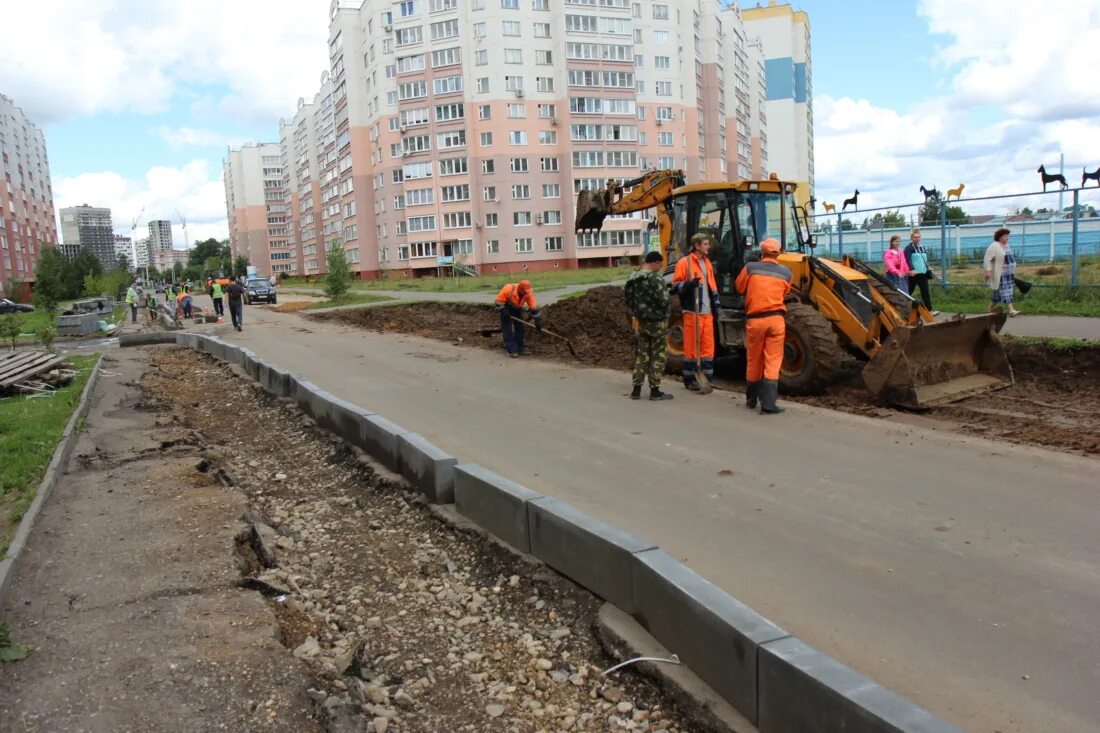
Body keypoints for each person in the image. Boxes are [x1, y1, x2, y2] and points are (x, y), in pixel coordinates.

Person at [735, 238, 792, 414]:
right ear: (779, 254)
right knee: (773, 360)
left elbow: (739, 287)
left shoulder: (751, 268)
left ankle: (751, 399)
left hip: (755, 319)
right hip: (776, 320)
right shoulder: (786, 273)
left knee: (754, 359)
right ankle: (768, 403)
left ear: (762, 252)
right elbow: (785, 293)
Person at [671, 233, 719, 392]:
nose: (708, 246)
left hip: (707, 312)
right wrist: (688, 285)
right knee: (692, 347)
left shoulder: (707, 262)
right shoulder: (685, 263)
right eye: (706, 244)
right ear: (697, 246)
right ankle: (690, 378)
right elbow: (674, 286)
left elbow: (712, 287)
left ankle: (707, 378)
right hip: (693, 311)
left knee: (707, 348)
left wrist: (715, 307)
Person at [624, 251, 673, 401]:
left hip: (642, 321)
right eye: (660, 264)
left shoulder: (633, 278)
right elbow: (665, 300)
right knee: (658, 355)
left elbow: (628, 299)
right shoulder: (656, 279)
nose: (660, 267)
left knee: (642, 354)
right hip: (657, 322)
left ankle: (636, 389)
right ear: (654, 262)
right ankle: (655, 390)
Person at [494, 279, 541, 358]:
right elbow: (498, 302)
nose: (526, 293)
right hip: (506, 308)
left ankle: (520, 348)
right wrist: (503, 310)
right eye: (525, 291)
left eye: (527, 291)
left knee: (520, 328)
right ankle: (512, 350)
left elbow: (533, 307)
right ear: (520, 288)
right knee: (507, 328)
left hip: (517, 308)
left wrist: (537, 320)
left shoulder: (528, 293)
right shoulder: (508, 288)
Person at [983, 227, 1020, 317]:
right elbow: (987, 259)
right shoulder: (994, 246)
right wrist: (988, 271)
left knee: (998, 294)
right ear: (1000, 237)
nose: (1007, 238)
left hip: (1008, 274)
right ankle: (1011, 310)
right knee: (1006, 291)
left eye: (1008, 236)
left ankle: (990, 310)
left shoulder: (1007, 246)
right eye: (1005, 236)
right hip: (1000, 274)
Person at [903, 228, 937, 313]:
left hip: (923, 273)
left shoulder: (922, 247)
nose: (917, 239)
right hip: (913, 274)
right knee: (908, 292)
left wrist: (928, 268)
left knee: (925, 292)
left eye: (918, 237)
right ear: (911, 238)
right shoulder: (908, 248)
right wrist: (911, 269)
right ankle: (900, 307)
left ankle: (929, 310)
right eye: (915, 237)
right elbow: (907, 260)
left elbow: (923, 259)